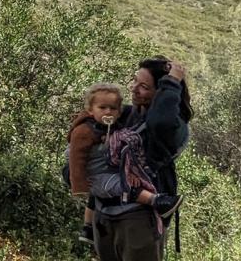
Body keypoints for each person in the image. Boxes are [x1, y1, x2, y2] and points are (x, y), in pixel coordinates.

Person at [91, 57, 193, 261]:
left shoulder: (173, 127)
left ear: (162, 92)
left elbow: (159, 121)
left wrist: (172, 81)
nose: (134, 89)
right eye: (135, 81)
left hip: (139, 218)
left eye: (144, 87)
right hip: (104, 215)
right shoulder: (128, 115)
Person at [67, 83, 179, 245]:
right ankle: (157, 201)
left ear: (119, 112)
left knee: (108, 190)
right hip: (94, 174)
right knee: (123, 185)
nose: (108, 112)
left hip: (106, 171)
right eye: (102, 107)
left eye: (113, 108)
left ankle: (88, 228)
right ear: (90, 110)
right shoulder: (83, 130)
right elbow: (76, 159)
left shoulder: (113, 126)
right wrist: (79, 185)